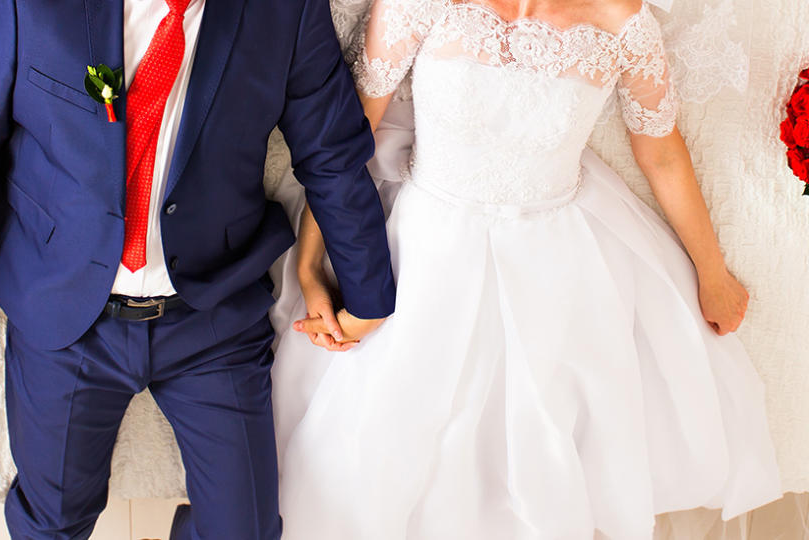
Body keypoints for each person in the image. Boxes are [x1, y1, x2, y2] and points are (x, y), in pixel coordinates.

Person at [272, 0, 782, 537]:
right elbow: (349, 141)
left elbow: (662, 155)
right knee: (381, 446)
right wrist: (310, 266)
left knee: (540, 460)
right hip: (424, 249)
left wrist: (712, 272)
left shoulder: (624, 24)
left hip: (556, 260)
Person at [0, 0, 396, 537]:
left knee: (245, 529)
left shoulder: (285, 12)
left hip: (212, 317)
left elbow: (331, 154)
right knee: (53, 519)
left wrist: (366, 293)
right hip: (65, 311)